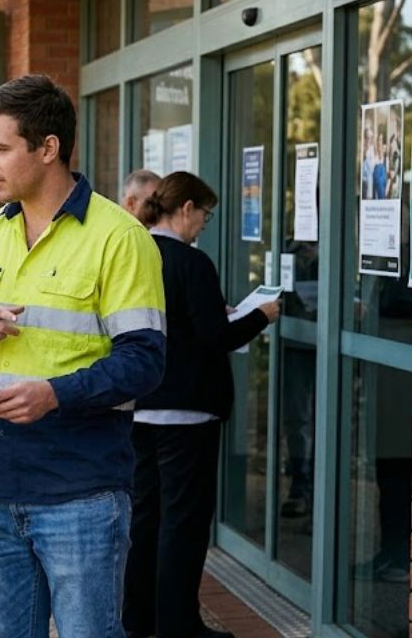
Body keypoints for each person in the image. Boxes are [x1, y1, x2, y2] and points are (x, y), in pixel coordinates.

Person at [0, 74, 166, 638]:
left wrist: (54, 394)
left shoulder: (119, 237)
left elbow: (145, 362)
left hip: (81, 496)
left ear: (48, 148)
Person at [122, 172, 279, 638]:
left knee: (144, 519)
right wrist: (260, 316)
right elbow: (214, 336)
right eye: (204, 215)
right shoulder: (192, 263)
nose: (204, 225)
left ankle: (138, 620)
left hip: (139, 404)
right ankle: (179, 625)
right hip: (187, 412)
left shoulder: (132, 254)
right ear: (185, 208)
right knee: (183, 525)